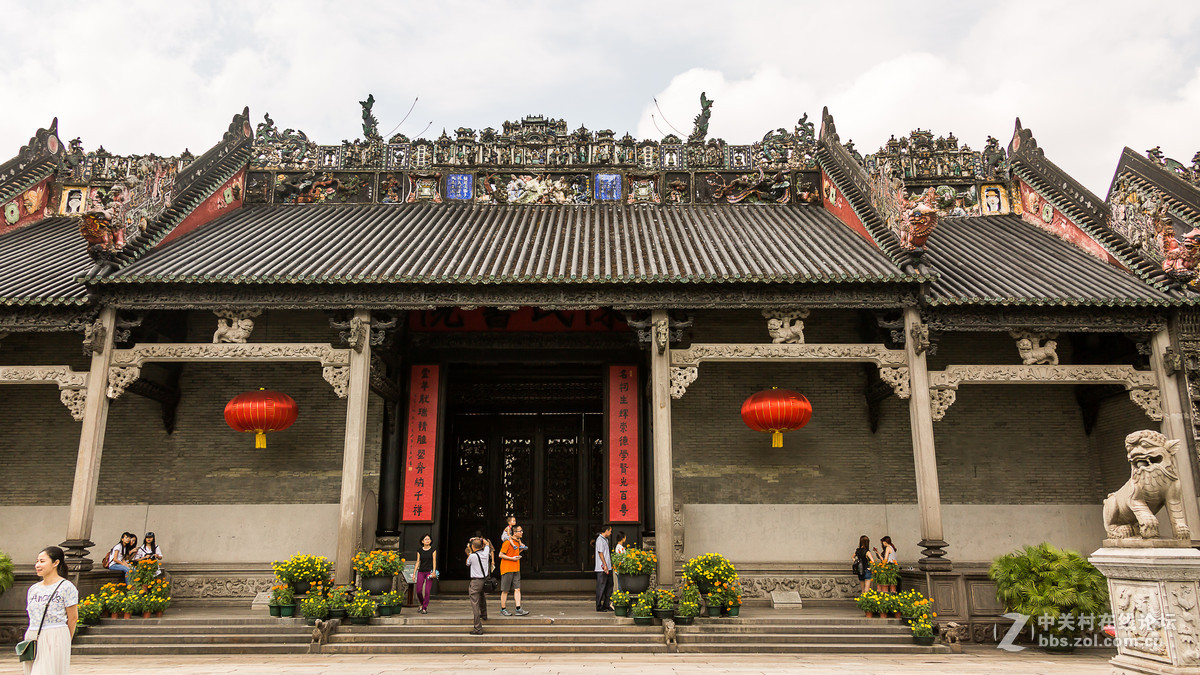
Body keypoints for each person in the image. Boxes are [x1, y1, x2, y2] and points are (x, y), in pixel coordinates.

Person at [23, 546, 78, 675]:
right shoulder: (33, 589)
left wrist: (65, 641)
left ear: (56, 563)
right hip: (32, 636)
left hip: (55, 635)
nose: (37, 565)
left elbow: (73, 618)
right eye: (37, 561)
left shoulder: (66, 587)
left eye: (42, 561)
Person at [498, 525, 529, 616]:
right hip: (507, 568)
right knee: (505, 590)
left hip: (516, 568)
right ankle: (503, 609)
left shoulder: (517, 542)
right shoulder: (507, 542)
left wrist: (520, 551)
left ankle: (518, 608)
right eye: (520, 531)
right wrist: (512, 558)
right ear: (514, 533)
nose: (522, 532)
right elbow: (500, 555)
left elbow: (514, 553)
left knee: (517, 589)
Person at [465, 537, 492, 635]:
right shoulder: (485, 553)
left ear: (472, 547)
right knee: (482, 597)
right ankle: (484, 614)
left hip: (476, 581)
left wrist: (469, 552)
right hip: (484, 580)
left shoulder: (472, 556)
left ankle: (478, 628)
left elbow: (467, 563)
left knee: (475, 603)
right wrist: (481, 540)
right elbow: (488, 544)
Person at [414, 534, 437, 614]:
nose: (427, 540)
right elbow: (418, 561)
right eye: (426, 539)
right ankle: (421, 603)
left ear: (430, 541)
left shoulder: (433, 550)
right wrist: (414, 573)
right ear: (422, 541)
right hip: (421, 571)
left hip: (429, 572)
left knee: (427, 591)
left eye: (429, 539)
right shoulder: (419, 550)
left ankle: (424, 607)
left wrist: (434, 571)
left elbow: (434, 560)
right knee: (419, 591)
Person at [594, 525, 613, 612]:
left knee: (609, 586)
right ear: (606, 530)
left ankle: (606, 604)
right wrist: (605, 565)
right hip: (602, 568)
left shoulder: (605, 540)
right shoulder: (600, 540)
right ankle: (598, 606)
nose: (610, 533)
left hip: (608, 567)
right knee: (601, 587)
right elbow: (600, 553)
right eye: (610, 531)